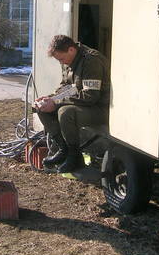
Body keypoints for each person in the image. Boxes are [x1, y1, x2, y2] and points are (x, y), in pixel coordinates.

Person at [35, 34, 110, 173]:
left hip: (101, 108)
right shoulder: (69, 61)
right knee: (41, 108)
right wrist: (50, 98)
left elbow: (90, 96)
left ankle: (74, 156)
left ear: (71, 50)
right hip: (84, 105)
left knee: (65, 112)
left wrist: (56, 102)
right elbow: (68, 87)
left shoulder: (91, 60)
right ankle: (64, 149)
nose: (62, 63)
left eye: (62, 59)